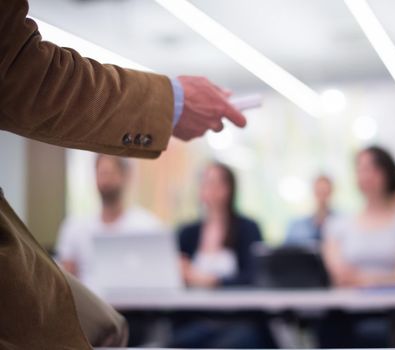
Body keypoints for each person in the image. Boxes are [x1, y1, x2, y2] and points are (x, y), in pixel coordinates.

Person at [0, 0, 247, 348]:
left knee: (106, 328)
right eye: (98, 170)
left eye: (110, 170)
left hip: (161, 317)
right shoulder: (80, 227)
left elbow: (16, 68)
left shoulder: (152, 225)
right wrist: (171, 103)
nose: (104, 178)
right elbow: (20, 69)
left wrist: (171, 103)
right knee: (99, 328)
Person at [319, 146, 395, 348]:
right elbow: (338, 274)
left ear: (389, 172)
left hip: (394, 313)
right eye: (360, 169)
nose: (366, 175)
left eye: (374, 168)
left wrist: (360, 279)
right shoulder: (338, 224)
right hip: (345, 312)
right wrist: (380, 279)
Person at [170, 162, 273, 348]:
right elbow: (176, 273)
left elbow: (255, 277)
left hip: (239, 321)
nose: (211, 189)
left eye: (217, 183)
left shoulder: (247, 229)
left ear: (229, 189)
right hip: (196, 320)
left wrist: (213, 281)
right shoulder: (188, 233)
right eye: (206, 183)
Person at [56, 154, 164, 287]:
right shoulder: (75, 227)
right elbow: (67, 278)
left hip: (134, 305)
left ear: (126, 176)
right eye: (102, 173)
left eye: (111, 173)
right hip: (87, 305)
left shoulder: (148, 227)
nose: (105, 180)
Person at [285, 175, 334, 247]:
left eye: (325, 192)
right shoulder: (297, 227)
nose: (322, 196)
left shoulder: (341, 224)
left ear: (331, 192)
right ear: (313, 192)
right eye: (319, 191)